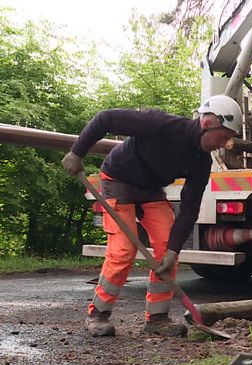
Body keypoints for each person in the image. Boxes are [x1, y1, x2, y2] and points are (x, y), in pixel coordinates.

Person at [62, 95, 242, 337]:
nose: (223, 143)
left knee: (167, 249)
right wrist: (77, 153)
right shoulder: (162, 124)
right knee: (123, 250)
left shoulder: (201, 161)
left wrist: (173, 251)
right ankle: (98, 315)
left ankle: (157, 319)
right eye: (224, 136)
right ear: (208, 123)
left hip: (151, 190)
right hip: (119, 180)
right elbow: (107, 118)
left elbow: (190, 208)